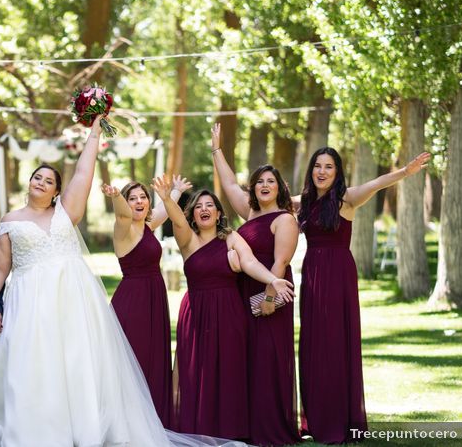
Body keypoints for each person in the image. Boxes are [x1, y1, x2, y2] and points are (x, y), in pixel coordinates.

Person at [0, 117, 245, 447]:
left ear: (56, 192)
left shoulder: (67, 212)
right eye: (37, 177)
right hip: (30, 301)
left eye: (48, 180)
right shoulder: (9, 220)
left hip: (73, 299)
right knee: (32, 364)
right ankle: (32, 430)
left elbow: (83, 172)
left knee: (78, 364)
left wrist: (94, 130)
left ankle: (85, 427)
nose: (40, 182)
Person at [294, 147, 429, 444]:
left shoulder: (347, 198)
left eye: (329, 166)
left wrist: (405, 172)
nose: (322, 171)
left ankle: (339, 420)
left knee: (334, 342)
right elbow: (265, 203)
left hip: (338, 275)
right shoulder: (302, 202)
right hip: (313, 276)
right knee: (313, 344)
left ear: (337, 171)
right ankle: (314, 418)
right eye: (317, 166)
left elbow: (378, 183)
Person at [161, 177, 294, 441]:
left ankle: (230, 429)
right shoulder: (187, 239)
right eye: (198, 206)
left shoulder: (232, 237)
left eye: (210, 205)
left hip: (230, 312)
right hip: (197, 312)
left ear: (219, 213)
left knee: (229, 370)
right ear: (193, 215)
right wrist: (168, 198)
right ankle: (196, 427)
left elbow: (250, 262)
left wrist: (272, 279)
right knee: (195, 370)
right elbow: (176, 218)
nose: (204, 209)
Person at [211, 123, 300, 446]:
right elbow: (230, 182)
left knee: (268, 359)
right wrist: (217, 149)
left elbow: (280, 264)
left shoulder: (285, 219)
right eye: (260, 181)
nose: (264, 185)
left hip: (269, 295)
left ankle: (271, 427)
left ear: (280, 188)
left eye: (270, 182)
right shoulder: (249, 214)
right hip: (243, 293)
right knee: (246, 358)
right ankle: (247, 425)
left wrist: (268, 298)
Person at [99, 176, 191, 427]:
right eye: (133, 198)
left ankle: (152, 416)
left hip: (154, 298)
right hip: (134, 301)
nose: (139, 202)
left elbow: (164, 206)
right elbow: (122, 216)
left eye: (143, 198)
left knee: (153, 357)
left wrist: (176, 191)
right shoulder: (124, 228)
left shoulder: (147, 226)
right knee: (134, 358)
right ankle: (126, 421)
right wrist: (117, 196)